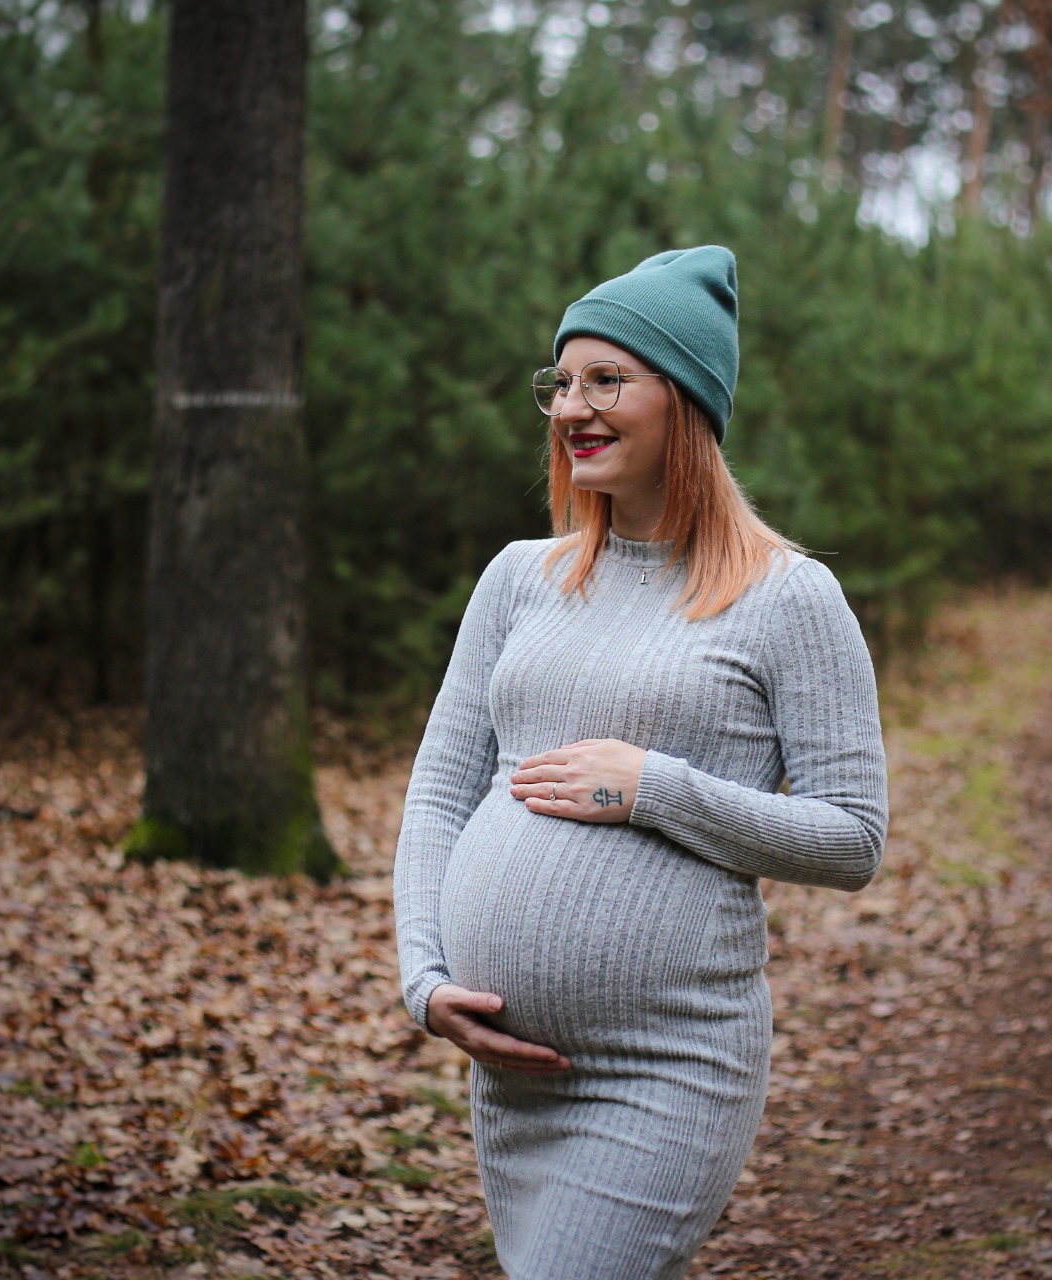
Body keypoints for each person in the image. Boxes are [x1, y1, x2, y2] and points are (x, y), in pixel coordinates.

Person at [392, 246, 889, 1279]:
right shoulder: (519, 579)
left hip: (668, 1065)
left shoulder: (789, 598)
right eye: (561, 382)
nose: (571, 408)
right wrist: (424, 979)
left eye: (607, 380)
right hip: (513, 1077)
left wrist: (653, 788)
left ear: (687, 401)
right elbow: (440, 790)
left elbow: (852, 838)